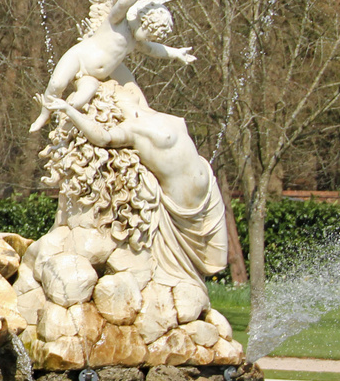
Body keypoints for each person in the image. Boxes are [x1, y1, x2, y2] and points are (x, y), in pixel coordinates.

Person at [37, 88, 228, 281]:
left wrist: (173, 55)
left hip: (209, 186)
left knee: (220, 258)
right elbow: (103, 137)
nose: (125, 89)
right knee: (207, 263)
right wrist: (69, 110)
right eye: (118, 88)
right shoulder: (130, 129)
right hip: (182, 204)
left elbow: (108, 60)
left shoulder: (148, 110)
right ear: (110, 101)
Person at [28, 0, 193, 133]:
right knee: (56, 83)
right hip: (80, 58)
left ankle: (139, 124)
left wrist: (176, 53)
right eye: (149, 34)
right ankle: (44, 114)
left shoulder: (134, 40)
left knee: (81, 101)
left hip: (97, 76)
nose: (149, 39)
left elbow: (153, 49)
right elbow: (123, 2)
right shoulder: (117, 22)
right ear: (144, 20)